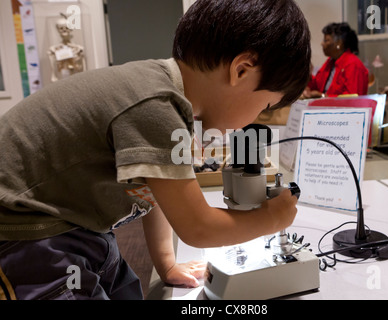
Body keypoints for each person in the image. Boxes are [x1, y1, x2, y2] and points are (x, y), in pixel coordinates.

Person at [0, 0, 311, 300]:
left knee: (126, 289)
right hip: (29, 233)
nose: (254, 120)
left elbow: (157, 192)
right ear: (242, 70)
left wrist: (167, 263)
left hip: (81, 226)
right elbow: (198, 228)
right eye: (265, 106)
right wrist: (273, 218)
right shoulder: (156, 105)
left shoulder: (169, 102)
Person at [303, 22, 368, 98]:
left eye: (326, 40)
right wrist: (307, 74)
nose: (322, 43)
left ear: (339, 44)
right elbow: (317, 85)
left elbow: (352, 99)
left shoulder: (352, 64)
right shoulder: (330, 62)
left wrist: (323, 96)